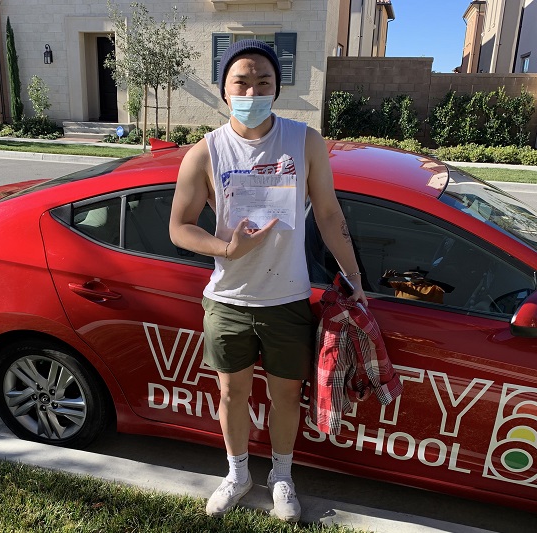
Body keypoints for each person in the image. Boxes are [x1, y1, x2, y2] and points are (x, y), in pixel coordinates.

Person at [169, 39, 366, 522]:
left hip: (287, 299)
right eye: (242, 81)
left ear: (277, 89)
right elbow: (180, 227)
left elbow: (327, 212)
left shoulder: (304, 141)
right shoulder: (206, 151)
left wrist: (354, 277)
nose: (252, 89)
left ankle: (282, 476)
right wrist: (226, 249)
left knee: (284, 396)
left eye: (264, 81)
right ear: (224, 89)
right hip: (229, 299)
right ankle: (238, 474)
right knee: (232, 393)